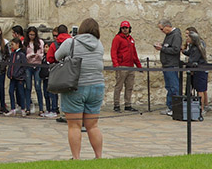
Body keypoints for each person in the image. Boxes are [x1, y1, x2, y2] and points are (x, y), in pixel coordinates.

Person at [55, 18, 105, 159]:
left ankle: (76, 157)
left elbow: (56, 56)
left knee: (74, 125)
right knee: (93, 125)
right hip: (97, 86)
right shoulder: (99, 44)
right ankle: (98, 156)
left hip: (76, 86)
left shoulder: (71, 42)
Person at [109, 21, 142, 112]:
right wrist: (116, 64)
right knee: (119, 86)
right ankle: (116, 104)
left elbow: (134, 53)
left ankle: (128, 104)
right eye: (123, 28)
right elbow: (113, 52)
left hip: (130, 66)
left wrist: (139, 66)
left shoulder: (131, 39)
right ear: (120, 29)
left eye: (126, 28)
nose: (125, 29)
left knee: (129, 87)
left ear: (129, 28)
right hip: (121, 66)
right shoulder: (117, 38)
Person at [154, 19, 183, 116]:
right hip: (166, 64)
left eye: (162, 29)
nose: (161, 31)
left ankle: (175, 108)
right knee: (169, 86)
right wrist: (162, 46)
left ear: (167, 26)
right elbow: (168, 46)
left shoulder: (176, 35)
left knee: (174, 87)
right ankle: (170, 106)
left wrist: (162, 48)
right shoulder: (169, 35)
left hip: (172, 64)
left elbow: (175, 49)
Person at [182, 27, 209, 115]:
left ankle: (201, 108)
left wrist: (188, 64)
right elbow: (189, 53)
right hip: (195, 71)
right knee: (195, 88)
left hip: (200, 71)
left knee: (200, 90)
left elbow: (194, 59)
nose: (187, 39)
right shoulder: (193, 47)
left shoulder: (197, 48)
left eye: (188, 37)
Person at [23, 26, 46, 116]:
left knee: (38, 87)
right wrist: (29, 56)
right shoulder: (25, 43)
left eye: (33, 35)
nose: (31, 36)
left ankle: (41, 108)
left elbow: (42, 53)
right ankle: (27, 107)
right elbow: (23, 54)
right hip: (29, 65)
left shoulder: (40, 42)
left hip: (37, 65)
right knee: (28, 87)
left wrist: (37, 55)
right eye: (30, 35)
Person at [4, 37, 28, 116]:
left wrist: (19, 73)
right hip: (12, 77)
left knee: (21, 93)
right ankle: (13, 108)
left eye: (13, 44)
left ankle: (23, 108)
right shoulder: (13, 54)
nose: (11, 46)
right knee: (11, 91)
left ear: (17, 44)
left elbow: (24, 66)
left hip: (19, 77)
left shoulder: (21, 54)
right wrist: (9, 73)